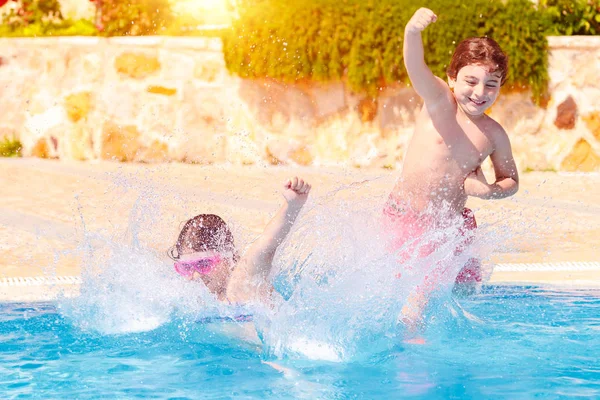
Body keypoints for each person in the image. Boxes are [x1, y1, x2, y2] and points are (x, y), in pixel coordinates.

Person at [387, 8, 519, 333]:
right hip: (406, 216)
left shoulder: (493, 134)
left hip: (452, 225)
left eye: (491, 84)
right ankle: (411, 341)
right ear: (451, 78)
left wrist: (488, 191)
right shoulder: (438, 102)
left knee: (462, 289)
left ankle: (441, 328)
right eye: (470, 81)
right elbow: (415, 67)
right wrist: (412, 32)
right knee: (411, 297)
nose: (479, 92)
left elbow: (511, 180)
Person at [168, 177, 311, 306]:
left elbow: (266, 245)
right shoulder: (192, 301)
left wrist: (292, 205)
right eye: (186, 267)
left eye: (204, 264)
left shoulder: (239, 287)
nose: (196, 275)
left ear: (228, 257)